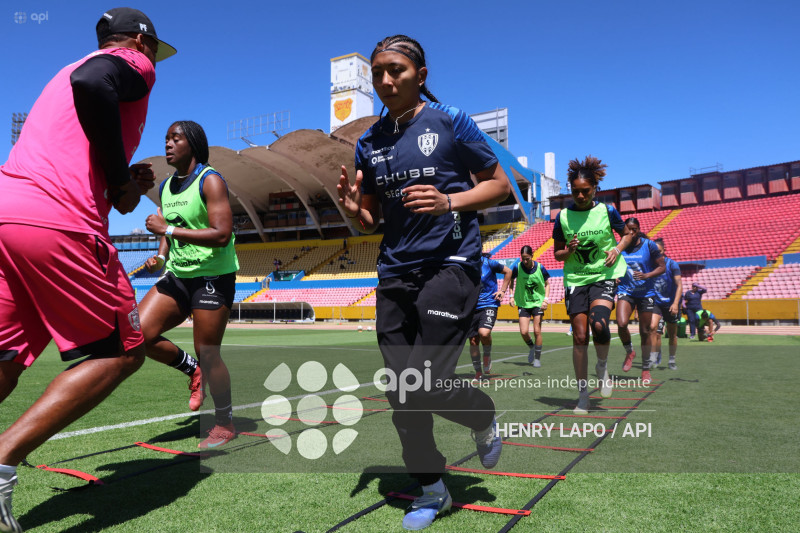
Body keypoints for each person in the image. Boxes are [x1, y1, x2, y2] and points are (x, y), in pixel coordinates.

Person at [0, 8, 175, 530]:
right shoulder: (128, 62)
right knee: (122, 353)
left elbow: (95, 173)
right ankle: (4, 458)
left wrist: (121, 180)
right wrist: (121, 173)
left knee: (6, 353)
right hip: (59, 220)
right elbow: (93, 80)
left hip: (11, 212)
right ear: (141, 40)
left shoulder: (60, 77)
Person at [337, 34, 511, 531]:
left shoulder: (450, 120)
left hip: (450, 264)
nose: (386, 81)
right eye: (377, 74)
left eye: (396, 70)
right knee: (400, 391)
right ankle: (432, 490)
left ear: (421, 75)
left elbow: (499, 185)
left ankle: (480, 414)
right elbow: (369, 219)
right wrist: (355, 213)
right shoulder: (368, 143)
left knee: (427, 381)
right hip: (394, 271)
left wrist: (448, 202)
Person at [141, 121, 239, 449]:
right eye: (166, 137)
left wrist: (166, 231)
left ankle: (224, 422)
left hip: (212, 276)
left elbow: (221, 234)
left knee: (209, 352)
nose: (168, 144)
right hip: (178, 275)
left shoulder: (210, 181)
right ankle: (191, 370)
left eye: (175, 138)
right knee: (136, 334)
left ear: (192, 144)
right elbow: (171, 230)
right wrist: (160, 254)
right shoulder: (167, 186)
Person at [553, 156, 634, 415]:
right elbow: (557, 254)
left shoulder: (607, 211)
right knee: (579, 337)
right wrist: (568, 250)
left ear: (595, 189)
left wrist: (617, 249)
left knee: (599, 324)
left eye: (585, 191)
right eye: (575, 191)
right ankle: (583, 396)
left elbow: (628, 234)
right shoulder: (563, 217)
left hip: (603, 276)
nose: (580, 195)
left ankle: (601, 367)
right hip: (576, 280)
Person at [615, 218, 666, 384]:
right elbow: (613, 264)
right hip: (626, 290)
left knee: (645, 332)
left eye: (634, 229)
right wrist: (614, 276)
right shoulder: (620, 245)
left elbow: (661, 267)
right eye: (628, 229)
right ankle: (630, 351)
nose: (631, 233)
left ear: (638, 229)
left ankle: (645, 369)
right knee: (621, 324)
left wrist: (647, 275)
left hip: (646, 293)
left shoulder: (649, 245)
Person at [468, 253, 512, 379]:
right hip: (471, 307)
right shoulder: (465, 264)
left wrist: (502, 290)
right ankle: (478, 371)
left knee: (484, 333)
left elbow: (508, 271)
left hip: (489, 303)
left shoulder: (489, 263)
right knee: (473, 341)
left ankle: (487, 354)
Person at [508, 246, 550, 368]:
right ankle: (532, 347)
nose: (525, 261)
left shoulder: (540, 268)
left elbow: (547, 284)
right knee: (524, 331)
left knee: (537, 330)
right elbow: (510, 280)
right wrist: (511, 296)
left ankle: (537, 359)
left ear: (532, 256)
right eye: (523, 259)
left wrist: (545, 300)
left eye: (527, 258)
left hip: (538, 303)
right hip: (523, 303)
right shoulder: (517, 267)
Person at [652, 238, 682, 369]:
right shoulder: (650, 265)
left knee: (672, 334)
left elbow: (679, 285)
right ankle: (654, 357)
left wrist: (675, 304)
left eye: (659, 251)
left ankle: (671, 360)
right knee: (654, 330)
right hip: (656, 303)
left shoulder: (672, 265)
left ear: (664, 251)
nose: (657, 254)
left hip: (671, 304)